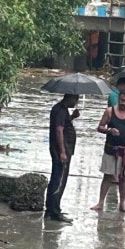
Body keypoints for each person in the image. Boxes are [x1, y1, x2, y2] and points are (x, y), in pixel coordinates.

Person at [91, 89, 125, 212]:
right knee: (107, 176)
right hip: (110, 149)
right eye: (122, 100)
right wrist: (109, 130)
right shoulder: (110, 111)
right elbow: (100, 127)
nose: (124, 103)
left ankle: (122, 203)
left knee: (123, 178)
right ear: (118, 99)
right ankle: (100, 202)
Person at [45, 93, 80, 223]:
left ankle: (51, 209)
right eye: (76, 99)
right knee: (59, 181)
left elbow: (63, 126)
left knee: (56, 178)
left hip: (60, 150)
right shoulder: (60, 110)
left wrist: (72, 117)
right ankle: (54, 211)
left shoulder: (60, 110)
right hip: (61, 150)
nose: (76, 102)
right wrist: (62, 152)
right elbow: (59, 131)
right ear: (70, 98)